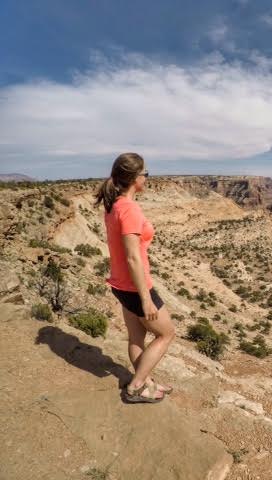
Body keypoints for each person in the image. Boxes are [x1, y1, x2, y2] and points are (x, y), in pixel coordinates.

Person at [94, 152, 176, 403]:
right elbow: (132, 257)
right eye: (146, 174)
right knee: (167, 334)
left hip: (120, 284)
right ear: (134, 178)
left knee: (136, 337)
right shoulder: (128, 208)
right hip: (134, 287)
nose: (148, 179)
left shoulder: (114, 205)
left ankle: (147, 383)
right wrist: (146, 299)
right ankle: (137, 386)